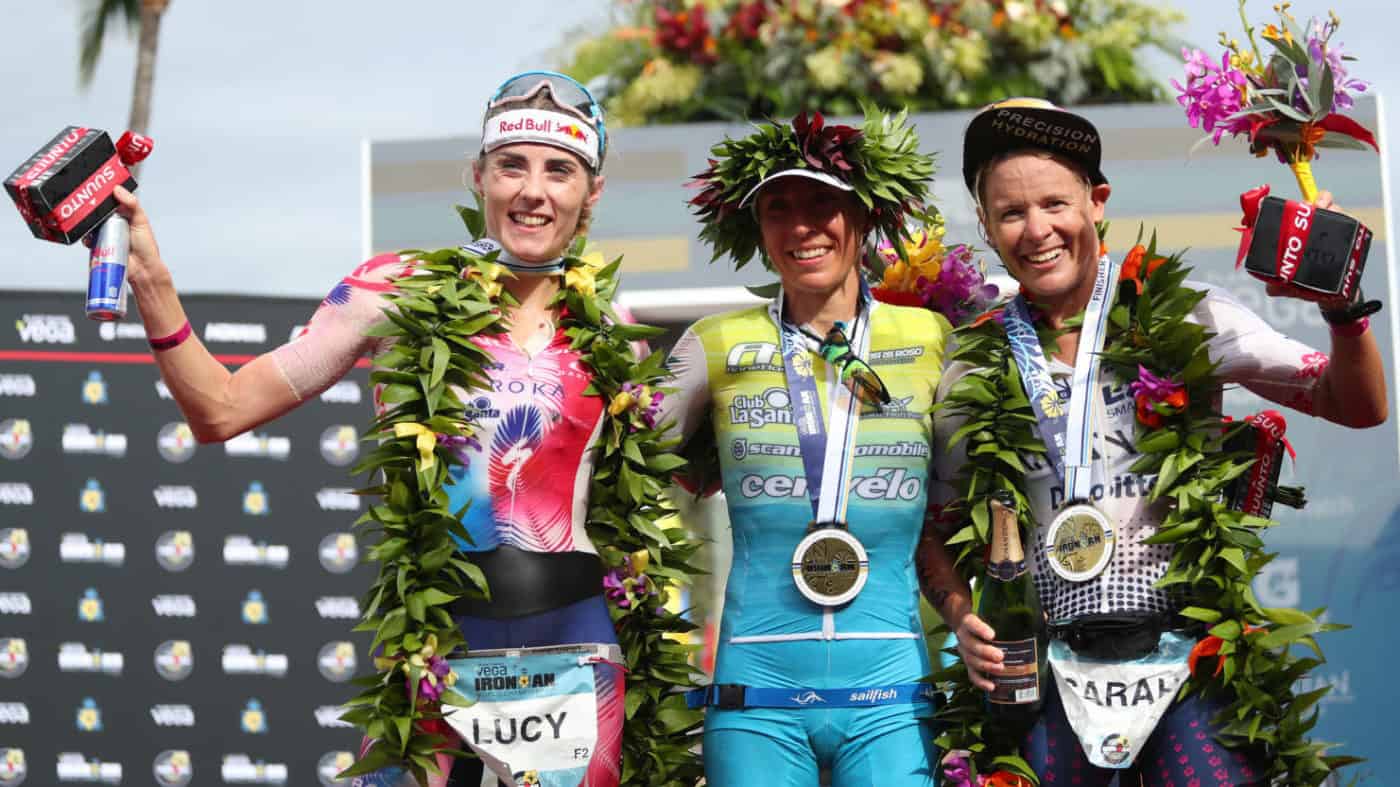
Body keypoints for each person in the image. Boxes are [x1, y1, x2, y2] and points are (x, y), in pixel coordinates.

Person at [111, 71, 632, 787]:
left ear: (591, 192)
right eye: (511, 165)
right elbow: (222, 408)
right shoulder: (394, 291)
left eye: (559, 170)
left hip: (574, 654)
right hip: (437, 645)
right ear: (477, 176)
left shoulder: (612, 329)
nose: (533, 191)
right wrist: (152, 281)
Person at [917, 97, 1388, 785]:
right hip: (1045, 668)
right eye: (1011, 213)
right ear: (985, 225)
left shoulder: (1187, 312)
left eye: (1055, 203)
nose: (1037, 230)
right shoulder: (970, 361)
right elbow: (935, 524)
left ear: (1097, 200)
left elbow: (1356, 404)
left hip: (1184, 653)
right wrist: (961, 615)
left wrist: (1342, 314)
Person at [666, 108, 951, 785]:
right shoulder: (714, 342)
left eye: (824, 202)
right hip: (755, 694)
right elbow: (613, 461)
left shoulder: (935, 337)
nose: (801, 226)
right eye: (778, 208)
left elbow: (975, 497)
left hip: (891, 693)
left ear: (865, 217)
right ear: (755, 228)